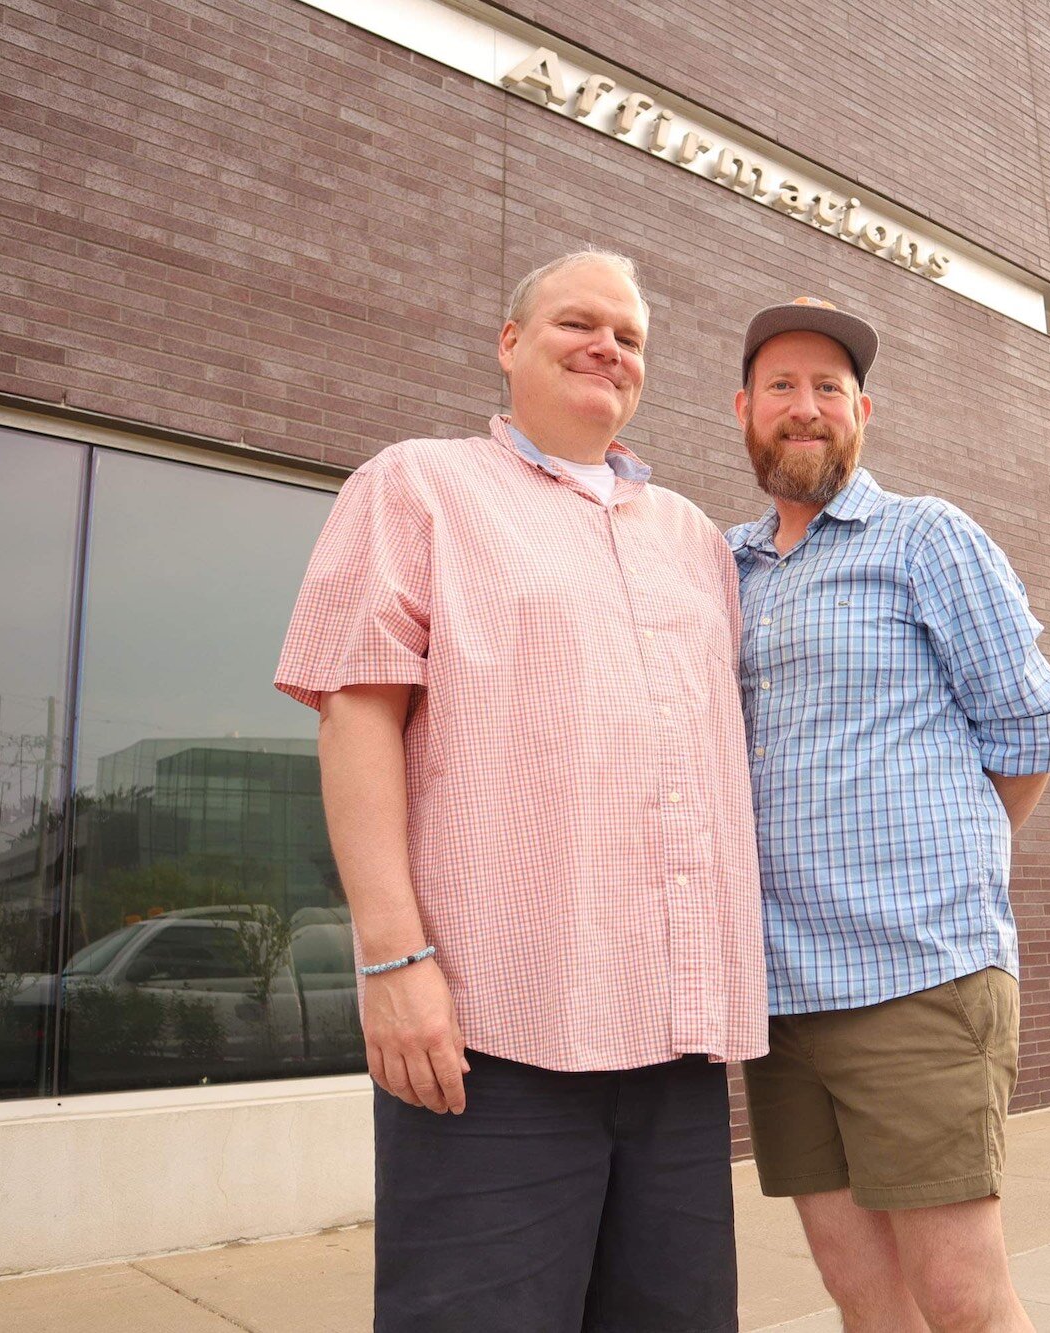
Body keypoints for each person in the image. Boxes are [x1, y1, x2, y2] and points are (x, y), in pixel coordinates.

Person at [275, 249, 764, 1332]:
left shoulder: (692, 539)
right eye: (574, 323)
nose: (607, 346)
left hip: (676, 1038)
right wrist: (392, 958)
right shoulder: (417, 484)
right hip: (489, 1037)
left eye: (629, 336)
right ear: (508, 344)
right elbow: (355, 718)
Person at [727, 299, 1050, 1333]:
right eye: (781, 387)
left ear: (862, 412)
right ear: (743, 409)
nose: (804, 407)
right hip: (781, 998)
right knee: (861, 1297)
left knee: (961, 1300)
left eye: (827, 388)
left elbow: (1029, 737)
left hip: (915, 978)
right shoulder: (724, 567)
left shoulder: (926, 536)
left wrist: (933, 871)